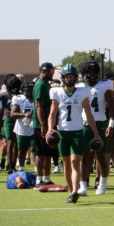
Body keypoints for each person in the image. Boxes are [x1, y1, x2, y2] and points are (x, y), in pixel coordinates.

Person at [47, 64, 102, 203]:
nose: (69, 79)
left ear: (76, 77)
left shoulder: (83, 92)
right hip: (62, 132)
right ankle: (72, 191)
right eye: (67, 76)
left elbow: (89, 114)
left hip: (77, 132)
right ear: (63, 78)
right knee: (66, 164)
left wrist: (96, 133)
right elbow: (52, 113)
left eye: (71, 76)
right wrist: (50, 128)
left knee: (75, 162)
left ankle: (75, 191)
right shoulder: (57, 92)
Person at [77, 57, 114, 196]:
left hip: (100, 123)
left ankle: (103, 183)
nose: (92, 74)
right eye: (89, 71)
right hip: (84, 124)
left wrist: (111, 125)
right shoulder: (79, 87)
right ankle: (83, 186)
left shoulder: (105, 85)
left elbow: (111, 108)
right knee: (84, 157)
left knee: (101, 157)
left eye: (94, 71)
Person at [31, 63, 55, 186]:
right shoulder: (40, 85)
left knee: (48, 152)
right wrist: (43, 124)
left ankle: (46, 178)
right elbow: (38, 105)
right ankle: (38, 180)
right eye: (50, 71)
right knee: (40, 152)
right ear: (43, 71)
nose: (52, 73)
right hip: (41, 124)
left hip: (47, 124)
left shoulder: (46, 84)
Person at [10, 80, 36, 172]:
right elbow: (12, 114)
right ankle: (21, 168)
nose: (29, 91)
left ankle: (37, 169)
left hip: (34, 127)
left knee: (34, 148)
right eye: (27, 89)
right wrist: (24, 114)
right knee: (22, 149)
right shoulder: (19, 99)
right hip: (22, 128)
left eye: (31, 89)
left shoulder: (37, 98)